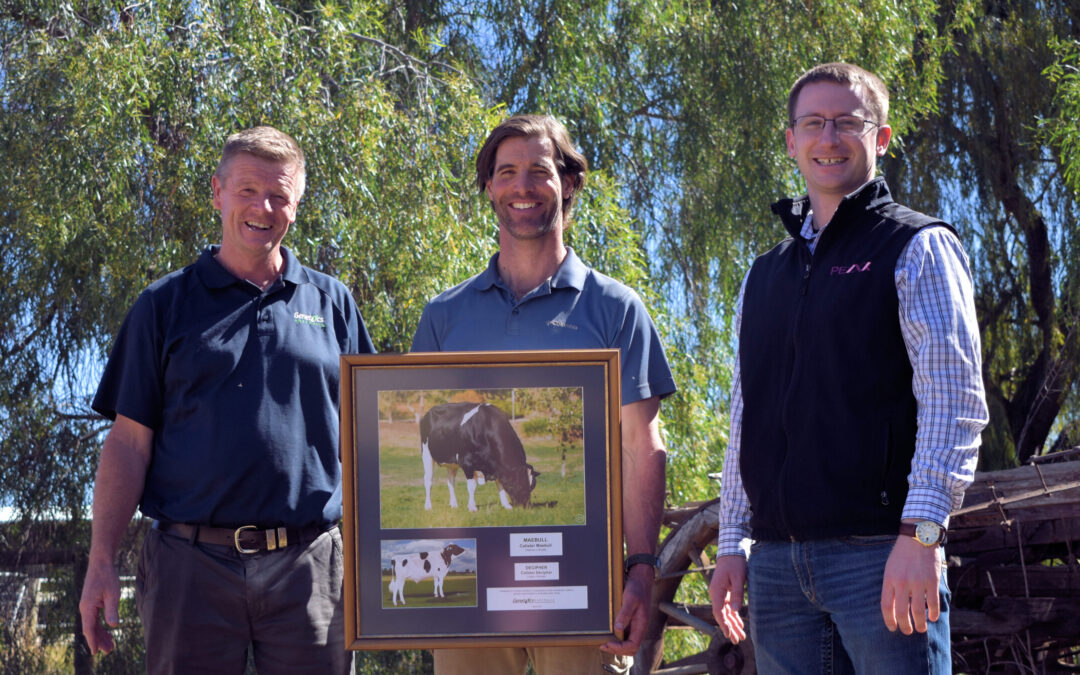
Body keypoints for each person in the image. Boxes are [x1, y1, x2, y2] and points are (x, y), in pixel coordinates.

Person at [708, 62, 989, 673]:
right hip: (778, 568)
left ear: (881, 138)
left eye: (846, 123)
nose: (827, 138)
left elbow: (955, 402)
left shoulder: (917, 247)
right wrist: (733, 544)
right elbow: (745, 415)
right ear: (790, 141)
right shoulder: (763, 275)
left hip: (881, 556)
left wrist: (922, 536)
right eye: (812, 123)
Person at [78, 126, 373, 673]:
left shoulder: (333, 304)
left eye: (279, 195)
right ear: (217, 192)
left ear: (297, 203)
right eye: (247, 190)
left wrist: (381, 554)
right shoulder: (163, 305)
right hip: (189, 568)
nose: (263, 207)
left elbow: (367, 444)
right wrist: (101, 561)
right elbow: (127, 444)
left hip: (311, 567)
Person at [411, 114, 676, 674]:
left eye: (539, 170)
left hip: (583, 588)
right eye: (506, 172)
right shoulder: (443, 317)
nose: (522, 186)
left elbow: (641, 447)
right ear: (489, 188)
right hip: (472, 595)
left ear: (570, 183)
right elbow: (437, 446)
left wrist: (642, 568)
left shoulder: (615, 309)